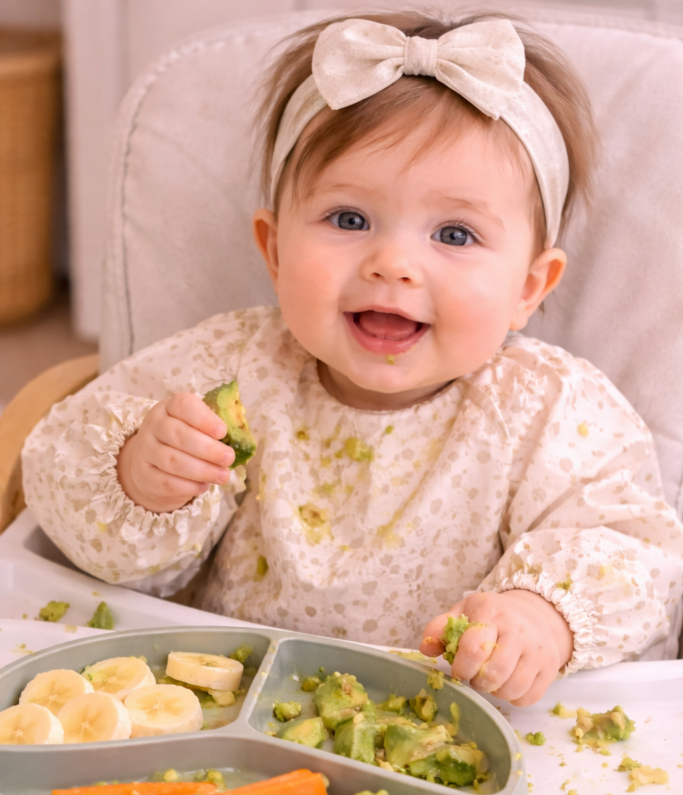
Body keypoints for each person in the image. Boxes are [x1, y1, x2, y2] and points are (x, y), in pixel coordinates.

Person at [22, 12, 683, 705]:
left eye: (454, 233)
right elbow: (65, 483)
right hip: (232, 711)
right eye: (348, 219)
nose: (392, 263)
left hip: (459, 725)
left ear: (526, 289)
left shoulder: (550, 411)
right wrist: (138, 476)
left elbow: (629, 552)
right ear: (274, 250)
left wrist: (541, 618)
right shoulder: (227, 368)